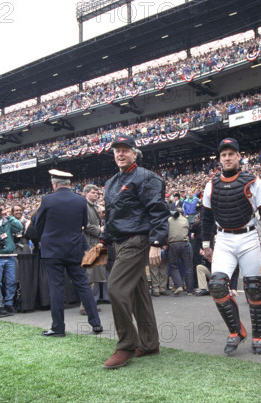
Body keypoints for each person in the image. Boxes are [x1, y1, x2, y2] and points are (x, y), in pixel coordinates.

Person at [201, 138, 261, 355]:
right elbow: (206, 217)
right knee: (217, 285)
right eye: (223, 155)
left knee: (255, 288)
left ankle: (259, 335)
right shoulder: (211, 184)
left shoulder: (253, 181)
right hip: (224, 239)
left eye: (231, 154)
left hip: (248, 238)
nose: (227, 158)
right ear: (219, 159)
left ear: (239, 156)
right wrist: (205, 243)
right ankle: (236, 331)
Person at [100, 135, 170, 369]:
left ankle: (126, 345)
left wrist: (157, 242)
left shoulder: (146, 177)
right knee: (139, 293)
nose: (120, 154)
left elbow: (158, 212)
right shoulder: (111, 182)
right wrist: (103, 241)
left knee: (116, 288)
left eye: (125, 150)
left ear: (134, 153)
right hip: (119, 241)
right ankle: (149, 343)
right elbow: (111, 216)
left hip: (137, 240)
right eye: (117, 151)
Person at [35, 170, 102, 337]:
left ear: (54, 184)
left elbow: (38, 225)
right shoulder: (80, 200)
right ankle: (96, 323)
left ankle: (58, 328)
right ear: (69, 184)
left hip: (53, 250)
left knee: (56, 287)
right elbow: (83, 223)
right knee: (83, 285)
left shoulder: (47, 200)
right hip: (74, 248)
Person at [81, 184, 107, 312]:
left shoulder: (95, 207)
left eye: (97, 193)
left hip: (95, 242)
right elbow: (85, 225)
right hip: (89, 242)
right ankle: (86, 306)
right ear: (86, 193)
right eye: (93, 193)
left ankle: (89, 305)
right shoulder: (84, 206)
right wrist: (99, 230)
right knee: (89, 276)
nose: (96, 195)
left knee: (94, 276)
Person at [167, 208, 193, 296]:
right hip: (184, 244)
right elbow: (188, 230)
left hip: (173, 244)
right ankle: (190, 290)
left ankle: (179, 285)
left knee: (174, 266)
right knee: (188, 266)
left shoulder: (169, 220)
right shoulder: (185, 220)